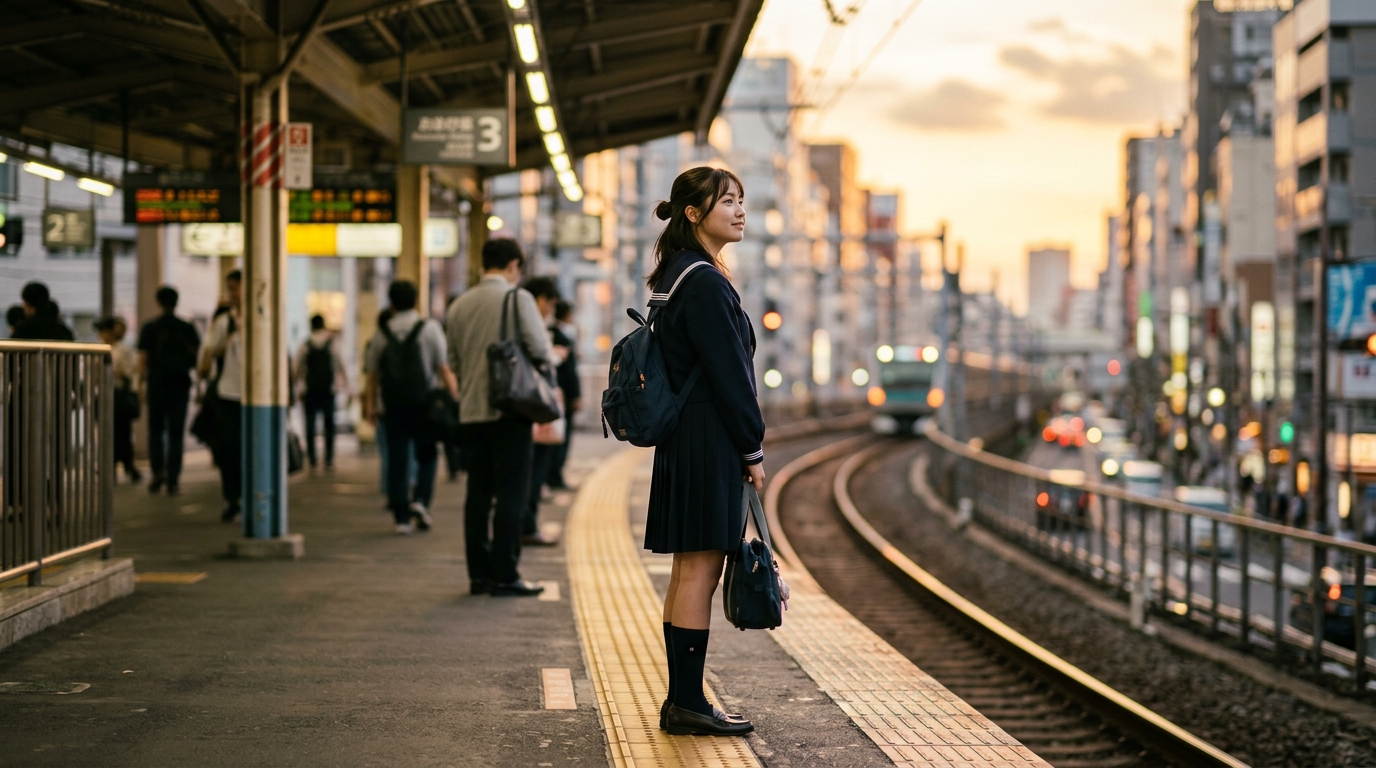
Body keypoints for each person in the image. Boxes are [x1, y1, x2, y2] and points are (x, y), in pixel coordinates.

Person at [643, 167, 762, 737]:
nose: (740, 211)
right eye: (728, 202)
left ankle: (683, 699)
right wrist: (752, 447)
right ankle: (687, 703)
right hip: (707, 439)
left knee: (687, 571)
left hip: (682, 438)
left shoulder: (677, 274)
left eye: (741, 201)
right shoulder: (706, 282)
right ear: (694, 214)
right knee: (699, 573)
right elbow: (730, 376)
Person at [445, 239, 552, 597]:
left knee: (478, 493)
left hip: (472, 411)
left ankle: (478, 575)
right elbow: (539, 349)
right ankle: (504, 573)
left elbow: (454, 362)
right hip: (510, 410)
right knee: (511, 493)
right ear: (513, 266)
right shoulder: (516, 298)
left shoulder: (460, 304)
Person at [363, 280, 458, 535]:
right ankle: (421, 501)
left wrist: (371, 404)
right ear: (416, 301)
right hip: (425, 405)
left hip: (394, 406)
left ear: (391, 303)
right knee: (427, 455)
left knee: (397, 459)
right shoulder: (430, 328)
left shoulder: (383, 332)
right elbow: (443, 367)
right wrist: (455, 398)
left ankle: (401, 517)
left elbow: (372, 373)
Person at [138, 285, 200, 495]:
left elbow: (143, 359)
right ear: (176, 302)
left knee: (155, 431)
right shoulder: (186, 327)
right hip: (180, 384)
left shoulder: (150, 328)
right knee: (176, 432)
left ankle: (157, 474)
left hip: (156, 384)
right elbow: (196, 358)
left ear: (158, 302)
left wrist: (140, 384)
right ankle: (173, 479)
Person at [520, 276, 564, 547]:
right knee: (533, 472)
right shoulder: (531, 322)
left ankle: (526, 525)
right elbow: (542, 357)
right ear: (540, 300)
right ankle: (528, 526)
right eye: (551, 303)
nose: (551, 309)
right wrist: (556, 355)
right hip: (533, 406)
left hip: (521, 406)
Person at [198, 271, 244, 522]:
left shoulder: (263, 320)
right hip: (227, 393)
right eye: (229, 289)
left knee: (249, 449)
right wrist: (225, 336)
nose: (231, 294)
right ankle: (232, 497)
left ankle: (250, 496)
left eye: (235, 288)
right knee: (229, 449)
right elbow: (210, 352)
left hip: (256, 398)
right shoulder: (224, 321)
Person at [293, 314, 349, 470]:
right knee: (329, 424)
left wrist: (297, 386)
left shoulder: (305, 344)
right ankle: (329, 457)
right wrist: (345, 385)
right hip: (328, 390)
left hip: (310, 390)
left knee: (310, 425)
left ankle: (312, 458)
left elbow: (297, 368)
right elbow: (340, 365)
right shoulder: (332, 344)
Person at [97, 317, 141, 483]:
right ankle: (119, 467)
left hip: (119, 394)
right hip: (104, 393)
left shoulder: (122, 350)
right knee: (109, 433)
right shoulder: (100, 349)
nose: (102, 335)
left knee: (121, 432)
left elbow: (131, 371)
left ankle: (123, 466)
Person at [545, 299, 580, 490]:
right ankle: (554, 476)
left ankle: (549, 476)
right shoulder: (563, 337)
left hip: (552, 394)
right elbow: (570, 371)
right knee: (560, 438)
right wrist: (575, 396)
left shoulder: (551, 333)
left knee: (551, 438)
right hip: (562, 396)